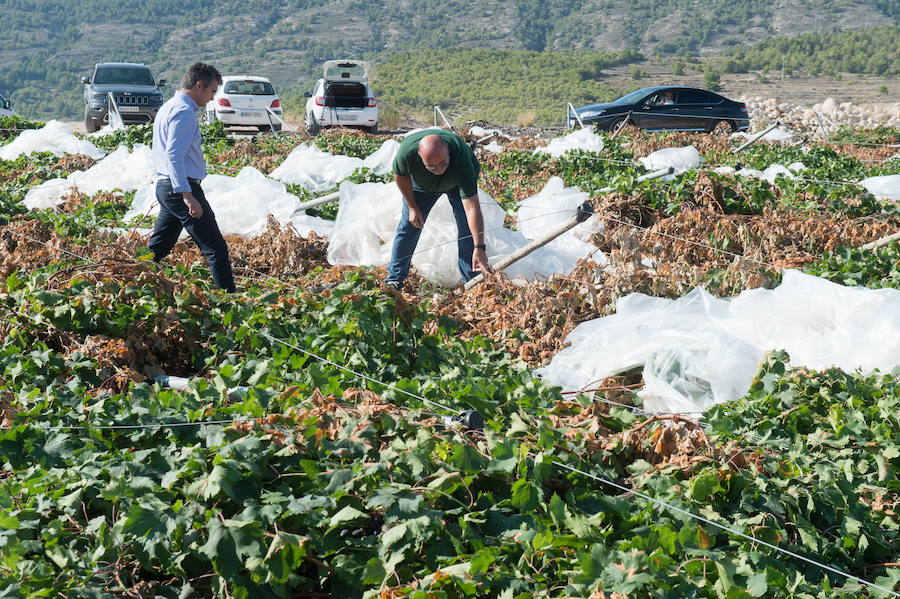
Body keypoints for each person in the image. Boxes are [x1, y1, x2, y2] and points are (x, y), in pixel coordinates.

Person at [148, 62, 236, 292]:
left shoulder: (169, 107)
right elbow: (174, 155)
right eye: (212, 91)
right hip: (180, 188)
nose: (211, 98)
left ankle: (131, 281)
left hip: (168, 187)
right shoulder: (184, 112)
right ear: (199, 85)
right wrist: (187, 194)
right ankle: (229, 301)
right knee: (215, 248)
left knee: (158, 247)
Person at [385, 130, 491, 290]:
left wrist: (479, 248)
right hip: (422, 185)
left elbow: (472, 207)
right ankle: (395, 278)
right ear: (419, 156)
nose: (439, 170)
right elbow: (400, 176)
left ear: (448, 151)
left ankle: (472, 280)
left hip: (456, 183)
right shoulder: (407, 153)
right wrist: (413, 206)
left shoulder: (461, 157)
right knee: (408, 226)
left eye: (443, 164)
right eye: (432, 166)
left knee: (466, 228)